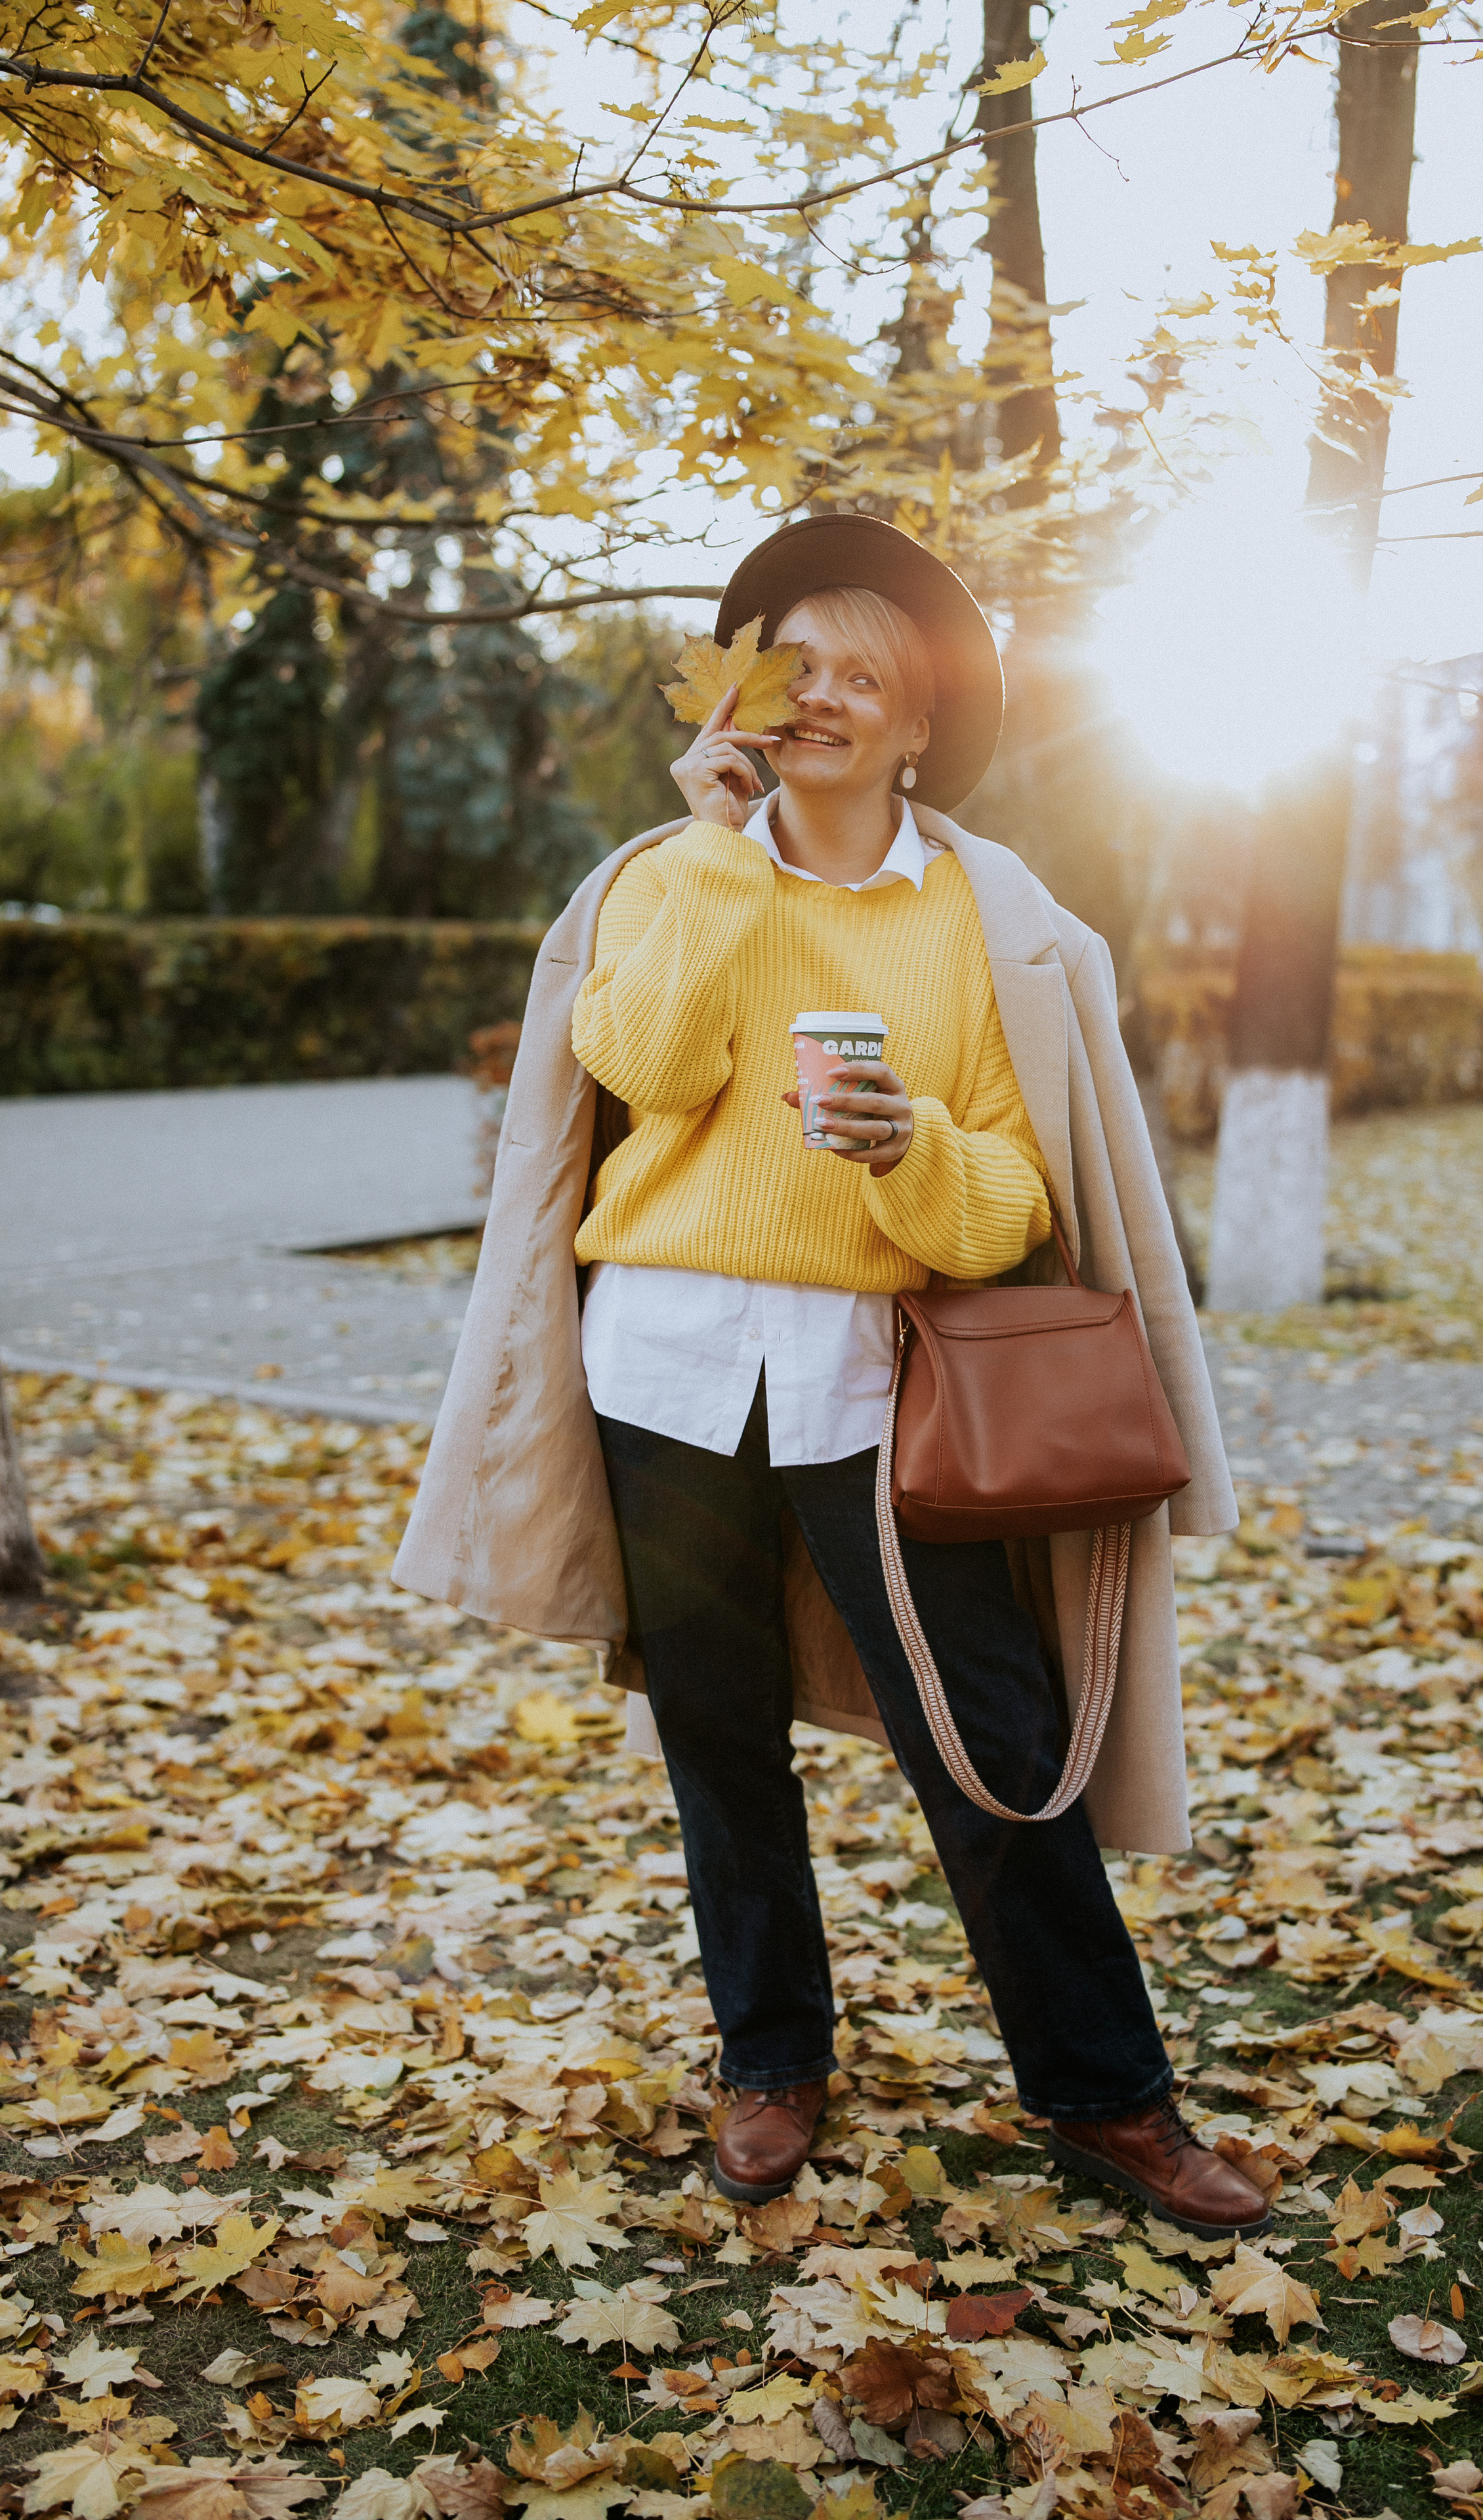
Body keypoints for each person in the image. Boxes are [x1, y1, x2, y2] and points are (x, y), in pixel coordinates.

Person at [393, 514, 1268, 2242]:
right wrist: (723, 849)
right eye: (799, 663)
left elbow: (1018, 1198)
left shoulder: (994, 924)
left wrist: (912, 1148)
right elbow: (638, 1057)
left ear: (926, 723)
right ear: (748, 689)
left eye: (872, 673)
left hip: (884, 1380)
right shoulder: (668, 877)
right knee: (717, 1738)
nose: (829, 697)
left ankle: (1108, 2097)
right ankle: (772, 2056)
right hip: (668, 1366)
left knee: (994, 1745)